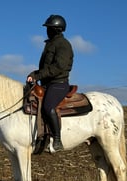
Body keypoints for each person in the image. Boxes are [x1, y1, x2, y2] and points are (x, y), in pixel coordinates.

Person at [26, 14, 74, 152]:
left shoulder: (63, 45)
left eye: (50, 28)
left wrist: (39, 75)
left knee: (47, 107)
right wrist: (34, 74)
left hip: (58, 83)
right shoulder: (50, 44)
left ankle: (57, 140)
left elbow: (58, 67)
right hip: (47, 82)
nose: (47, 30)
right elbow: (45, 68)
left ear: (57, 29)